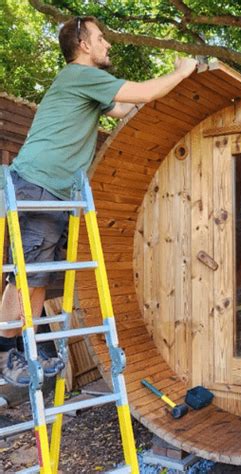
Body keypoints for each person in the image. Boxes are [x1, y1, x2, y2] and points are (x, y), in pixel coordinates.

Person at [0, 16, 197, 386]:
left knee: (39, 274)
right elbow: (141, 93)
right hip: (39, 182)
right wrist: (182, 72)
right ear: (84, 45)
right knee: (26, 274)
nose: (107, 44)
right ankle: (6, 353)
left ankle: (27, 348)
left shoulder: (88, 88)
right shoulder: (78, 74)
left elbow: (124, 107)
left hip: (54, 190)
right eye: (101, 38)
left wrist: (165, 90)